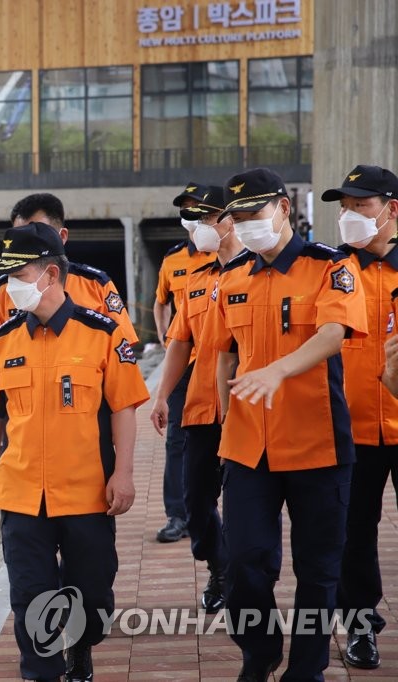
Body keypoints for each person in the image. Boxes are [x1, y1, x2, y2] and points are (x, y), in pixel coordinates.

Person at [204, 167, 367, 681]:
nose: (249, 225)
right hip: (249, 445)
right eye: (240, 218)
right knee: (245, 563)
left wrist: (276, 370)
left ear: (283, 208)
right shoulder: (230, 279)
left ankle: (307, 669)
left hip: (317, 442)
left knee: (318, 570)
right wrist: (225, 415)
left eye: (256, 213)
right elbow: (223, 355)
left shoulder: (330, 267)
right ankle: (260, 650)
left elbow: (334, 332)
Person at [0, 223, 148, 682]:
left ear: (50, 275)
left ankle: (82, 646)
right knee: (30, 594)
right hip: (21, 491)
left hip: (86, 490)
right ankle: (41, 672)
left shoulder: (102, 334)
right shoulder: (5, 339)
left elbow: (124, 408)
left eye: (19, 274)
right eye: (6, 275)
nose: (10, 286)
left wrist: (123, 473)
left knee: (90, 593)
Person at [149, 186, 240, 612]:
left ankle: (242, 581)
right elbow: (179, 343)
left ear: (231, 220)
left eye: (208, 218)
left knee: (246, 507)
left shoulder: (258, 275)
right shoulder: (197, 282)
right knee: (196, 502)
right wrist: (162, 396)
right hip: (201, 406)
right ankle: (218, 564)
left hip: (249, 413)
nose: (200, 226)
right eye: (197, 220)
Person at [324, 165, 398, 670]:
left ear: (392, 209)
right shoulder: (331, 271)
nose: (349, 216)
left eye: (361, 205)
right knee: (353, 532)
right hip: (350, 425)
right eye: (344, 207)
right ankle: (361, 626)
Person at [0, 193, 137, 353]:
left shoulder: (96, 284)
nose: (25, 245)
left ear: (62, 236)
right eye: (19, 237)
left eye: (38, 234)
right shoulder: (4, 288)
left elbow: (122, 350)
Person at [152, 182, 217, 543]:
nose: (193, 218)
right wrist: (165, 337)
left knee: (223, 437)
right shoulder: (173, 261)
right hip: (185, 362)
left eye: (200, 211)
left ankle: (214, 509)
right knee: (177, 439)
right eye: (187, 211)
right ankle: (177, 514)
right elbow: (160, 301)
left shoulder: (234, 258)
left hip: (224, 363)